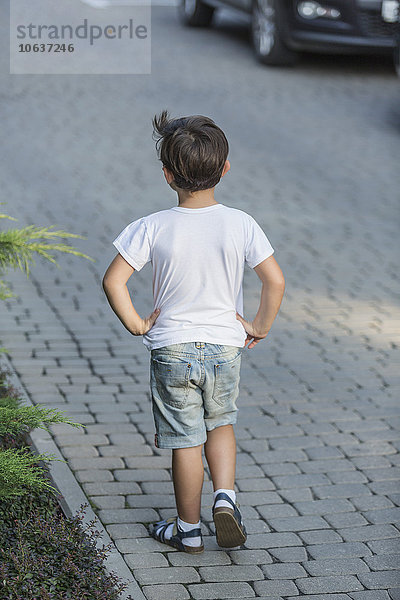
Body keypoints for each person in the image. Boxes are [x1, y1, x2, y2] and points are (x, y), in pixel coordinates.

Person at [102, 110, 285, 554]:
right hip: (225, 345)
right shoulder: (241, 223)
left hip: (172, 348)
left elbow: (113, 280)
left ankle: (187, 529)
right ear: (225, 168)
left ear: (167, 176)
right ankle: (225, 497)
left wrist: (138, 324)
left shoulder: (152, 226)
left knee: (186, 440)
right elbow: (274, 280)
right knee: (221, 423)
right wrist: (258, 326)